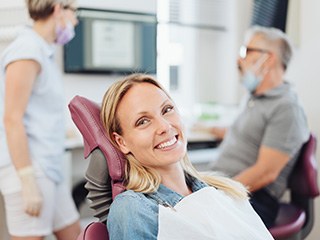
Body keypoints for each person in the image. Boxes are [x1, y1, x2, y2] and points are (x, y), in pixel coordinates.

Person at [99, 73, 274, 239]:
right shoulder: (133, 210)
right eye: (143, 121)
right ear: (122, 142)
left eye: (167, 109)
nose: (165, 127)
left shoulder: (224, 191)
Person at [208, 26, 309, 228]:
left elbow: (265, 172)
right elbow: (249, 135)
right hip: (227, 185)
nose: (239, 60)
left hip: (253, 197)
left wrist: (217, 194)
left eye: (246, 51)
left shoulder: (286, 108)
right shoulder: (254, 97)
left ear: (268, 59)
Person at [0, 0, 81, 239]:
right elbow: (12, 119)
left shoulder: (42, 51)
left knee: (75, 233)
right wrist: (26, 181)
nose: (75, 20)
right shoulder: (27, 51)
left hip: (49, 166)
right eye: (74, 12)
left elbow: (37, 112)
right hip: (29, 168)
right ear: (57, 9)